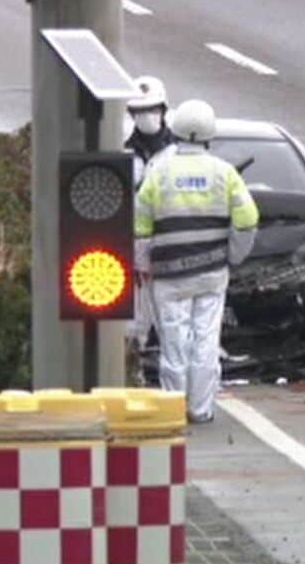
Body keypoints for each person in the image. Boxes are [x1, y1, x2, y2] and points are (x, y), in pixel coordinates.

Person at [134, 99, 260, 423]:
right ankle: (201, 409)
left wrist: (143, 264)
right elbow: (247, 220)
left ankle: (173, 409)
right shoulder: (224, 173)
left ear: (175, 131)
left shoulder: (158, 173)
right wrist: (232, 255)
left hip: (169, 276)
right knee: (206, 340)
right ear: (209, 134)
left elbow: (141, 225)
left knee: (173, 343)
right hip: (211, 273)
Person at [125, 76, 176, 384]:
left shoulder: (179, 153)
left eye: (152, 109)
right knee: (133, 324)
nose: (146, 116)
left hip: (169, 247)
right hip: (133, 249)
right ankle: (135, 377)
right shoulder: (123, 153)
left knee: (172, 323)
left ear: (163, 109)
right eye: (138, 111)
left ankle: (175, 386)